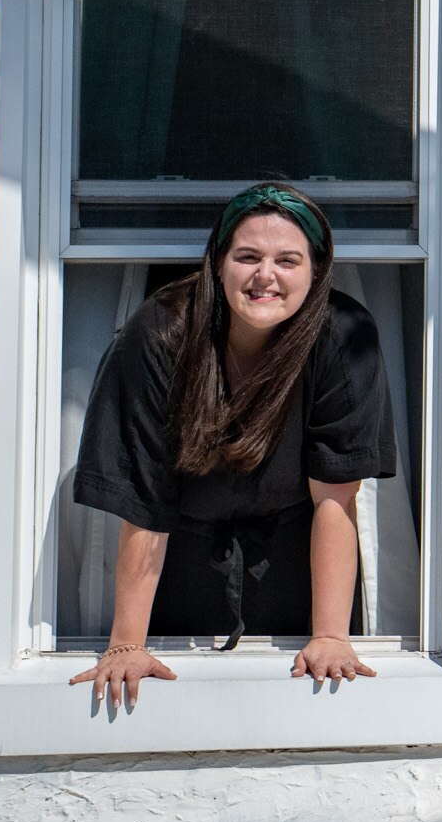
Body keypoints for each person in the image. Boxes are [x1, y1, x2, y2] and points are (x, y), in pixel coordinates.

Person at [67, 181, 396, 708]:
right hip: (180, 554)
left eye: (288, 260)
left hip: (297, 551)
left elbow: (334, 497)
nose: (266, 275)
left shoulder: (343, 335)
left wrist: (331, 635)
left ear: (316, 271)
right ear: (218, 264)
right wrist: (127, 644)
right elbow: (145, 501)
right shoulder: (163, 331)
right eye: (248, 257)